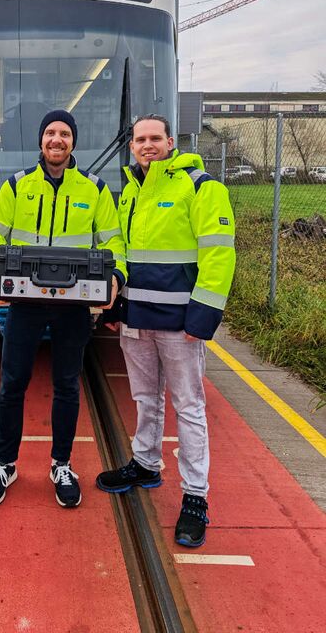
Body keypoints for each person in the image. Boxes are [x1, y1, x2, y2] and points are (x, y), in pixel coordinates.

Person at [96, 114, 236, 548]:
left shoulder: (199, 186)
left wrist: (203, 315)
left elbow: (219, 254)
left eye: (155, 137)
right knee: (144, 397)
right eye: (140, 139)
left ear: (171, 142)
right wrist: (116, 304)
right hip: (137, 319)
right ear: (132, 145)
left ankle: (196, 497)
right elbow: (122, 252)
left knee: (190, 408)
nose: (147, 145)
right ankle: (146, 463)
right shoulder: (130, 191)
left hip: (181, 325)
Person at [0, 110, 126, 509]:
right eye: (50, 133)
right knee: (12, 385)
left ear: (72, 142)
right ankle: (5, 463)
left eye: (64, 133)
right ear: (41, 141)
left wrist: (116, 278)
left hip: (73, 306)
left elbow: (114, 242)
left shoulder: (94, 190)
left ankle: (62, 464)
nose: (56, 139)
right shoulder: (16, 186)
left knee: (66, 386)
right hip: (25, 303)